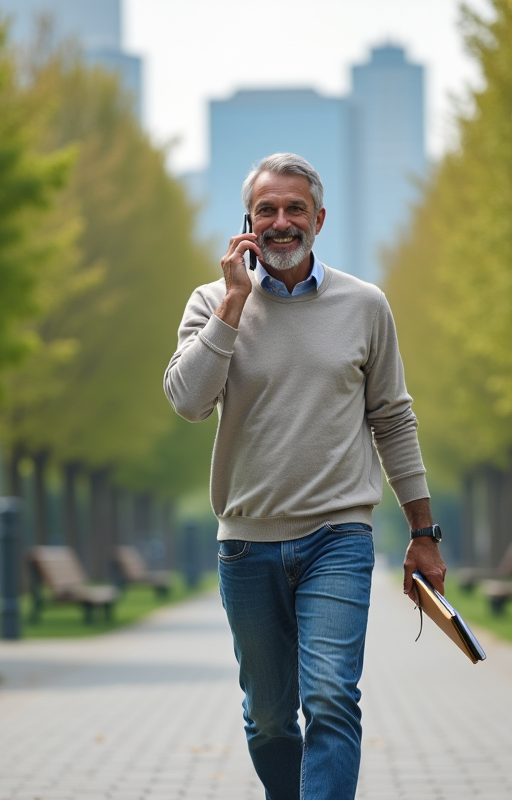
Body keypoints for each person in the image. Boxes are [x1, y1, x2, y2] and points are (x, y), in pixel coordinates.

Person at [163, 152, 445, 800]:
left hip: (338, 537)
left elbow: (394, 421)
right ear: (247, 222)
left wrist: (424, 530)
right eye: (267, 209)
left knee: (330, 698)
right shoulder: (211, 302)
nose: (281, 221)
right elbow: (187, 401)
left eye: (295, 209)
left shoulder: (366, 306)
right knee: (267, 722)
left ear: (319, 219)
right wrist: (234, 305)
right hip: (246, 541)